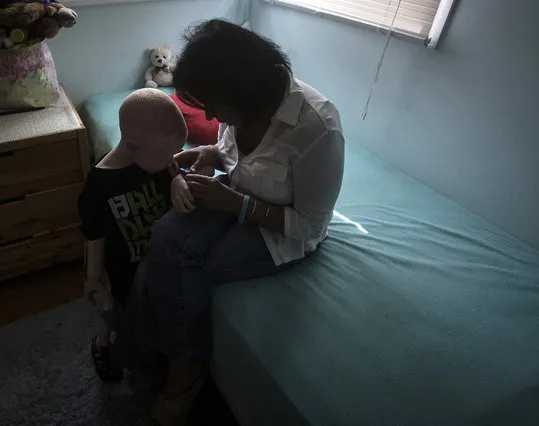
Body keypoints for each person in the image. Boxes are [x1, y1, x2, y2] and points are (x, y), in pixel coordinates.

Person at [115, 19, 345, 426]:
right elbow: (235, 157)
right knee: (165, 235)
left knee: (181, 265)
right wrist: (207, 155)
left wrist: (237, 206)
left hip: (280, 231)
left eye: (212, 104)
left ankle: (176, 372)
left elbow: (310, 226)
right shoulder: (240, 108)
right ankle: (150, 356)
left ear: (243, 90)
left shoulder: (317, 128)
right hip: (233, 196)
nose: (208, 113)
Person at [77, 88, 190, 382]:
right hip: (121, 269)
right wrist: (93, 279)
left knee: (149, 314)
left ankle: (152, 350)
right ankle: (102, 345)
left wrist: (177, 178)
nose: (171, 160)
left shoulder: (153, 159)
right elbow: (94, 236)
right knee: (116, 317)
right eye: (167, 156)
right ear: (130, 144)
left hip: (154, 260)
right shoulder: (99, 186)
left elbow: (172, 167)